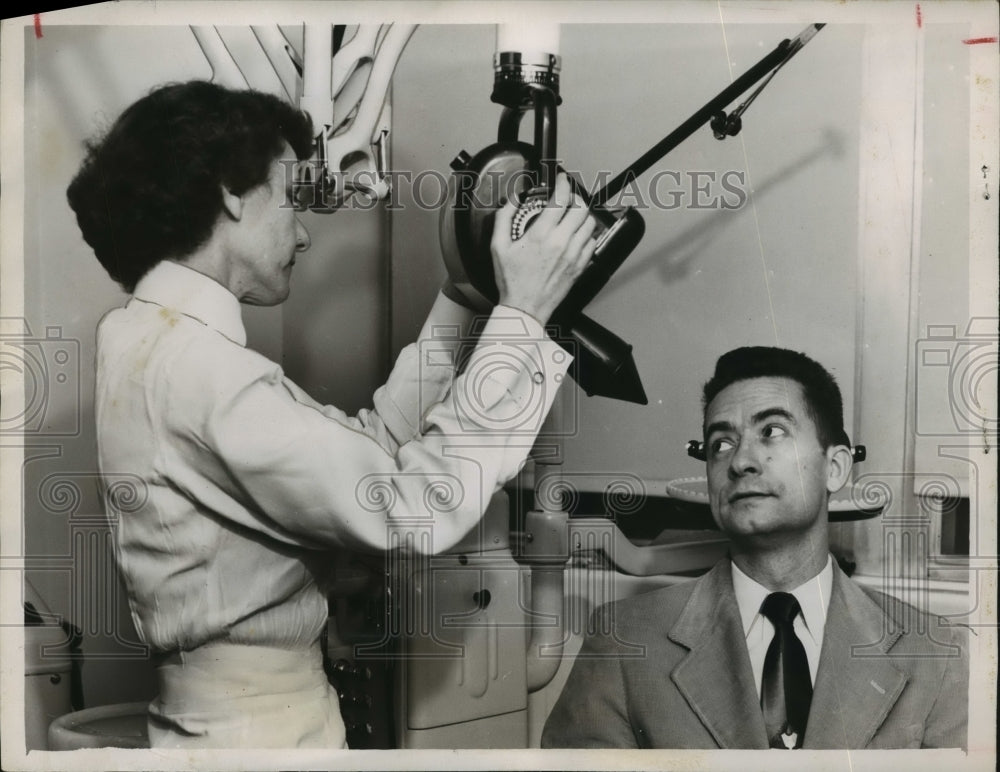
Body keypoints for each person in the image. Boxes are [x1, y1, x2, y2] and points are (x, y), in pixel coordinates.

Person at [67, 80, 597, 749]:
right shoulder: (202, 372)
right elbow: (417, 506)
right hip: (262, 738)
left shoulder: (147, 342)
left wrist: (463, 296)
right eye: (291, 196)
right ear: (231, 193)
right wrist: (522, 318)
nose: (304, 233)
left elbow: (366, 450)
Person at [542, 346, 968, 750]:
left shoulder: (932, 652)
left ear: (835, 467)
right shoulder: (624, 642)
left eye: (772, 431)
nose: (740, 460)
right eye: (720, 443)